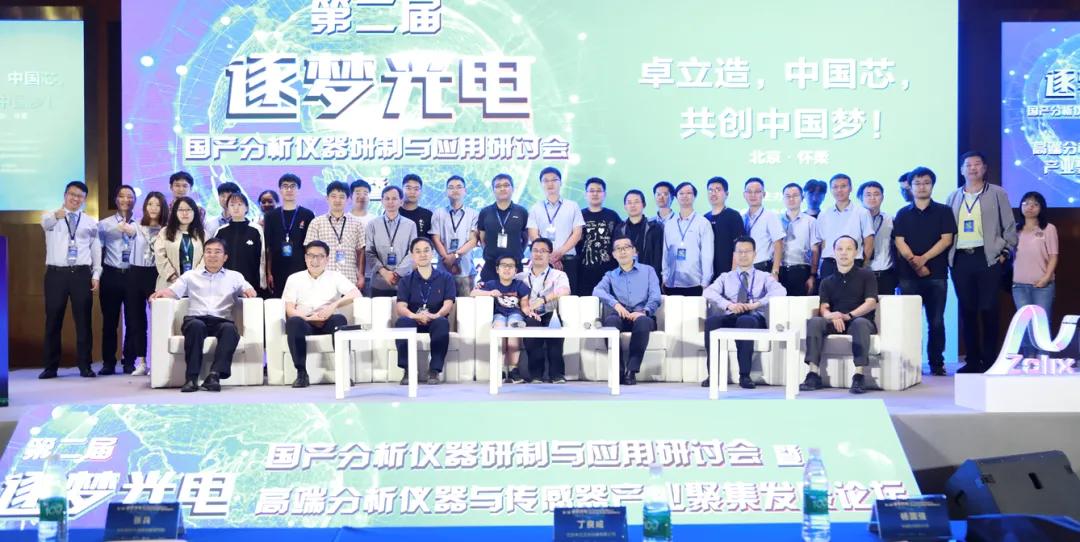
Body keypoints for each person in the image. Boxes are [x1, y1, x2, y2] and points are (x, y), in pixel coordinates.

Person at [149, 238, 257, 392]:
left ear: (225, 257)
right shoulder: (191, 275)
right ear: (204, 255)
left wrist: (249, 292)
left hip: (221, 321)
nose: (212, 255)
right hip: (195, 319)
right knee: (196, 326)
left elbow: (249, 290)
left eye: (217, 252)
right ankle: (191, 378)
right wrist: (160, 294)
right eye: (208, 252)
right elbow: (173, 291)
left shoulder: (235, 276)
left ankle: (214, 376)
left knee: (230, 330)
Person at [946, 151, 1018, 373]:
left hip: (988, 258)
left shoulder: (997, 193)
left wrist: (1004, 252)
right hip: (960, 259)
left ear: (984, 168)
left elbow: (1009, 226)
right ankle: (972, 360)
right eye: (968, 165)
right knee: (967, 310)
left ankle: (990, 360)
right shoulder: (954, 196)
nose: (972, 168)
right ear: (961, 170)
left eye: (977, 164)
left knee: (989, 309)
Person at [701, 236, 787, 390]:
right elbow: (708, 292)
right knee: (712, 322)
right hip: (732, 315)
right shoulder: (726, 277)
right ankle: (713, 374)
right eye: (739, 252)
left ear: (754, 254)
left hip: (754, 317)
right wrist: (729, 305)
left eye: (747, 251)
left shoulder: (763, 276)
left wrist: (757, 304)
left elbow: (781, 291)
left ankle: (745, 375)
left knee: (745, 321)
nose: (743, 255)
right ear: (734, 255)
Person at [893, 167, 956, 376]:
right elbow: (899, 241)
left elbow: (946, 240)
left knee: (936, 321)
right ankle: (911, 363)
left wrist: (924, 259)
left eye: (926, 182)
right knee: (910, 322)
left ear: (932, 185)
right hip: (908, 276)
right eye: (917, 183)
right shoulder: (903, 213)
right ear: (910, 187)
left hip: (937, 274)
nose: (922, 187)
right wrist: (915, 262)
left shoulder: (944, 211)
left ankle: (936, 363)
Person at [800, 236, 878, 394]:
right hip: (836, 322)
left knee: (860, 323)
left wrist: (848, 316)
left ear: (856, 252)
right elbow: (824, 308)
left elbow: (871, 302)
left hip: (859, 321)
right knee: (814, 322)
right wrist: (832, 315)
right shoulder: (827, 281)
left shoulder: (867, 275)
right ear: (834, 252)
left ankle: (859, 376)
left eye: (849, 249)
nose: (844, 253)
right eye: (840, 249)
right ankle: (813, 374)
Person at [39, 181, 101, 379]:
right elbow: (45, 224)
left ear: (84, 199)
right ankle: (50, 367)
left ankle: (85, 366)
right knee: (53, 320)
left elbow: (95, 248)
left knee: (83, 321)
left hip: (81, 274)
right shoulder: (50, 216)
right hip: (56, 274)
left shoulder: (90, 221)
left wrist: (96, 274)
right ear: (65, 195)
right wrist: (57, 216)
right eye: (72, 194)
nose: (75, 199)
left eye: (80, 196)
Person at [281, 240, 360, 388]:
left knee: (340, 320)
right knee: (293, 322)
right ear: (305, 258)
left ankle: (343, 373)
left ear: (327, 259)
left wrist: (333, 306)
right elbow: (289, 309)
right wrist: (307, 318)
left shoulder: (335, 276)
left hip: (328, 320)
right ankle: (301, 374)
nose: (315, 260)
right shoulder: (294, 278)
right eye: (311, 256)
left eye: (320, 256)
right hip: (305, 321)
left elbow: (356, 293)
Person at [593, 237, 661, 385]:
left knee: (642, 322)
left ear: (634, 251)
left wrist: (644, 311)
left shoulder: (648, 271)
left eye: (626, 247)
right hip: (620, 315)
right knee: (610, 322)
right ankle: (618, 370)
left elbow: (655, 296)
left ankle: (631, 370)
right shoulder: (610, 275)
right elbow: (597, 290)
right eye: (618, 248)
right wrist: (616, 304)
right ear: (613, 255)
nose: (622, 251)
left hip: (643, 315)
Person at [394, 237, 457, 385]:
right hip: (413, 319)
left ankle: (434, 371)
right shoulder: (406, 280)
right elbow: (401, 307)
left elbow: (448, 304)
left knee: (442, 323)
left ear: (432, 253)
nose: (422, 254)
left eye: (426, 250)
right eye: (418, 251)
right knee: (402, 322)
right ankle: (408, 370)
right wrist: (414, 316)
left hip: (435, 318)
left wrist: (436, 315)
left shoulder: (446, 278)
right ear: (412, 255)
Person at [472, 255, 536, 383]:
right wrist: (489, 293)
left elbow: (524, 305)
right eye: (504, 266)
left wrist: (530, 312)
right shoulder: (491, 284)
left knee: (513, 331)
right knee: (499, 331)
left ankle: (513, 370)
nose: (507, 269)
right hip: (499, 315)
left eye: (511, 266)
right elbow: (473, 293)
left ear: (516, 270)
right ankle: (499, 370)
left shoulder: (519, 285)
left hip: (515, 314)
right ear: (497, 269)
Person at [124, 191, 168, 376]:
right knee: (136, 320)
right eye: (150, 204)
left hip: (156, 275)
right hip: (135, 274)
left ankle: (158, 361)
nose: (153, 208)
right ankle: (141, 362)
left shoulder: (167, 229)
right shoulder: (135, 226)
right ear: (145, 206)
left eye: (157, 205)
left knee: (159, 319)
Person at [517, 237, 572, 383]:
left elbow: (565, 290)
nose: (538, 254)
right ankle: (536, 375)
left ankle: (556, 374)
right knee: (531, 326)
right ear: (530, 253)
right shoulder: (520, 277)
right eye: (535, 250)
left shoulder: (558, 275)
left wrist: (543, 299)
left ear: (550, 254)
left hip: (550, 312)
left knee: (555, 328)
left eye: (543, 251)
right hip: (529, 314)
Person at [1012, 191, 1058, 357]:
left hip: (1042, 285)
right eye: (1026, 203)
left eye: (1035, 204)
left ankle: (1043, 358)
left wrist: (1046, 278)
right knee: (1024, 324)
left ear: (1041, 208)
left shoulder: (1048, 228)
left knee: (1042, 323)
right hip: (1019, 285)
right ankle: (1029, 359)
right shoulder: (1014, 229)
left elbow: (1053, 256)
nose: (1029, 207)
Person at [97, 185, 137, 375]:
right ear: (116, 199)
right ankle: (108, 362)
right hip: (111, 274)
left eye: (130, 197)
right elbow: (96, 249)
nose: (126, 200)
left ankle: (129, 361)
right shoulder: (104, 224)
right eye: (122, 196)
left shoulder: (140, 224)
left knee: (132, 320)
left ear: (134, 201)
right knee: (110, 321)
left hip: (132, 275)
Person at [527, 166, 584, 294]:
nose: (550, 183)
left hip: (568, 260)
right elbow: (533, 235)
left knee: (568, 299)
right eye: (546, 181)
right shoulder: (535, 208)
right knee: (543, 299)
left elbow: (577, 233)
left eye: (554, 180)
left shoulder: (572, 206)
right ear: (541, 184)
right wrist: (548, 256)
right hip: (544, 262)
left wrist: (559, 253)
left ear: (561, 182)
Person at [305, 181, 366, 289]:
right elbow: (310, 252)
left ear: (348, 199)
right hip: (323, 280)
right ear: (327, 198)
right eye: (333, 196)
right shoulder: (316, 223)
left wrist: (361, 275)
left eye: (342, 197)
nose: (337, 200)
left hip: (349, 279)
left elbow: (361, 251)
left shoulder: (357, 224)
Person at [264, 173, 315, 298]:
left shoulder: (307, 215)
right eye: (285, 186)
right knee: (278, 302)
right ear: (280, 190)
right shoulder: (271, 216)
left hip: (301, 267)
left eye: (293, 186)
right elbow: (268, 247)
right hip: (277, 268)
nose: (289, 189)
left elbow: (311, 246)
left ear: (298, 190)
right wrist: (268, 272)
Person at [816, 173, 875, 280]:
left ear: (850, 188)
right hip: (829, 264)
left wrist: (864, 265)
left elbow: (869, 241)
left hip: (854, 263)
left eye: (843, 186)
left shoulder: (862, 212)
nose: (839, 190)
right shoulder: (824, 214)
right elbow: (821, 242)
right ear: (831, 190)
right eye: (835, 187)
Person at [431, 175, 480, 296]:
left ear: (465, 191)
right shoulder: (438, 213)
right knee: (442, 305)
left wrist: (455, 255)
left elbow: (473, 240)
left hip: (466, 271)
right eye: (451, 187)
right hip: (443, 270)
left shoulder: (473, 214)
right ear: (446, 192)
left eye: (459, 187)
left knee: (466, 306)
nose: (455, 190)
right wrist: (447, 258)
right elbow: (435, 239)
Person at [662, 182, 714, 295]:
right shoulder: (669, 224)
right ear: (676, 197)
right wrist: (664, 277)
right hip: (671, 283)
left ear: (694, 196)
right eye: (681, 193)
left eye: (689, 193)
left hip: (695, 283)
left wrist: (705, 282)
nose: (685, 196)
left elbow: (707, 255)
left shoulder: (703, 223)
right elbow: (665, 253)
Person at [365, 185, 417, 297]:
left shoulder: (410, 225)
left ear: (401, 202)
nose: (390, 202)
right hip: (379, 282)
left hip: (403, 282)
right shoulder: (372, 224)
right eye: (387, 198)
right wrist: (384, 272)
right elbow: (369, 252)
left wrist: (397, 273)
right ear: (382, 201)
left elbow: (412, 252)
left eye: (394, 198)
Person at [477, 173, 529, 283]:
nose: (502, 188)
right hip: (491, 266)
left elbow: (525, 238)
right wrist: (490, 253)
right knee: (489, 293)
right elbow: (482, 238)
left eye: (506, 185)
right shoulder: (485, 212)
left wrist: (516, 253)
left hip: (514, 266)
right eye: (498, 186)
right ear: (493, 190)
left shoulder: (522, 212)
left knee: (515, 294)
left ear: (512, 188)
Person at [576, 177, 621, 296]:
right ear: (585, 194)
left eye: (599, 190)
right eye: (591, 191)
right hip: (583, 271)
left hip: (609, 271)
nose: (595, 194)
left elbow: (620, 241)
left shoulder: (612, 216)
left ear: (604, 194)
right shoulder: (579, 215)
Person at [216, 193, 266, 294]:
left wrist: (262, 282)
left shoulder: (256, 229)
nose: (236, 208)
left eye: (239, 204)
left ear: (246, 207)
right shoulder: (221, 231)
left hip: (251, 283)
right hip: (225, 284)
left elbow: (262, 257)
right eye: (232, 205)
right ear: (227, 208)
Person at [779, 183, 821, 296]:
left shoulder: (811, 221)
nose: (791, 199)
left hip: (801, 271)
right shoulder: (776, 220)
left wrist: (813, 275)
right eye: (788, 196)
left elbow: (815, 250)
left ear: (802, 198)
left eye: (795, 195)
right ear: (783, 199)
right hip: (779, 271)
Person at [614, 189, 664, 285]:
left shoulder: (654, 228)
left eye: (636, 202)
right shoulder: (619, 229)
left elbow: (659, 257)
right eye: (629, 202)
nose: (632, 205)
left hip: (648, 279)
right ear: (625, 206)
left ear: (643, 205)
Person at [154, 196, 205, 289]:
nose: (185, 213)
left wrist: (194, 277)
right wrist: (172, 277)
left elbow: (206, 257)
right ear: (175, 213)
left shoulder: (203, 233)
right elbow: (159, 256)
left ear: (194, 212)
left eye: (188, 210)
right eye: (181, 210)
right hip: (169, 285)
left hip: (195, 284)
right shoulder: (165, 232)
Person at [858, 181, 898, 295]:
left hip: (885, 275)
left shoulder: (890, 220)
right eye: (868, 194)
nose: (872, 198)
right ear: (860, 198)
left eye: (876, 194)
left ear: (882, 197)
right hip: (861, 274)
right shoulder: (854, 220)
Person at [703, 176, 744, 281]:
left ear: (726, 194)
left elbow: (739, 247)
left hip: (728, 273)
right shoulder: (704, 218)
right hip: (708, 275)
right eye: (710, 190)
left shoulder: (733, 215)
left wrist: (733, 274)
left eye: (718, 190)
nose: (713, 193)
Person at [741, 177, 784, 277]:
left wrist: (775, 272)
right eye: (749, 192)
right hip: (745, 268)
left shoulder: (770, 216)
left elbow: (778, 244)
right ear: (744, 195)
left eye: (757, 192)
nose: (753, 195)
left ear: (764, 194)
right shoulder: (742, 218)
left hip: (763, 268)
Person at [399, 173, 434, 238]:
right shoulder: (394, 213)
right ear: (402, 189)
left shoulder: (428, 215)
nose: (412, 192)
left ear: (421, 191)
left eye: (416, 189)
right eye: (408, 188)